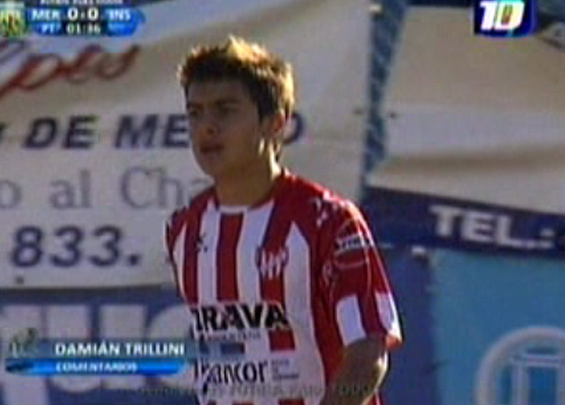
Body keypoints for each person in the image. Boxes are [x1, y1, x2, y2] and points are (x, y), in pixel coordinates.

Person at [165, 36, 402, 405]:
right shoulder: (183, 228)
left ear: (275, 123)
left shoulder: (329, 221)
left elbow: (369, 354)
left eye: (225, 110)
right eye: (195, 113)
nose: (206, 127)